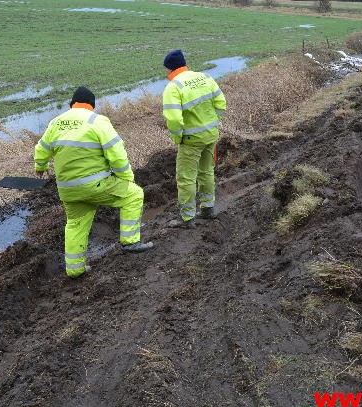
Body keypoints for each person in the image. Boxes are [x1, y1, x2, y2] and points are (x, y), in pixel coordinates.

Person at [34, 86, 152, 278]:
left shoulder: (56, 122)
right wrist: (127, 179)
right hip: (95, 185)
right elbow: (117, 155)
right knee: (134, 194)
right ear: (92, 106)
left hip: (67, 190)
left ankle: (74, 269)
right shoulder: (97, 121)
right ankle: (130, 242)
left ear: (72, 104)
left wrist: (40, 166)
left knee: (75, 224)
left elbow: (41, 148)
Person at [161, 50, 227, 228]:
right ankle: (208, 209)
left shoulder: (173, 87)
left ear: (170, 68)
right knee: (206, 171)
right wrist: (213, 123)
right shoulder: (205, 77)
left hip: (190, 140)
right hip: (211, 135)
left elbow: (174, 119)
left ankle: (187, 218)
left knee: (186, 178)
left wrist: (178, 138)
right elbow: (221, 103)